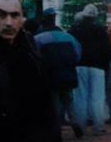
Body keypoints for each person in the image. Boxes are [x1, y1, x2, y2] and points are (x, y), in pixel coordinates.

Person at [0, 0, 59, 141]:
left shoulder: (31, 51)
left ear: (22, 18)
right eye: (1, 15)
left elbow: (46, 106)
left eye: (15, 15)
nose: (9, 22)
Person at [35, 7, 83, 138]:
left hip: (50, 76)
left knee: (54, 104)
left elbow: (35, 58)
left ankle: (57, 130)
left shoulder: (37, 38)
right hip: (68, 74)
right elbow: (78, 54)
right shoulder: (67, 36)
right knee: (69, 101)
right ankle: (75, 123)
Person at [69, 4, 111, 137]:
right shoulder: (101, 30)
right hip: (98, 67)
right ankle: (98, 127)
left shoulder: (74, 30)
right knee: (97, 98)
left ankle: (81, 127)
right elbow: (108, 51)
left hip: (79, 65)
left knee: (80, 97)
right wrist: (105, 66)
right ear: (95, 16)